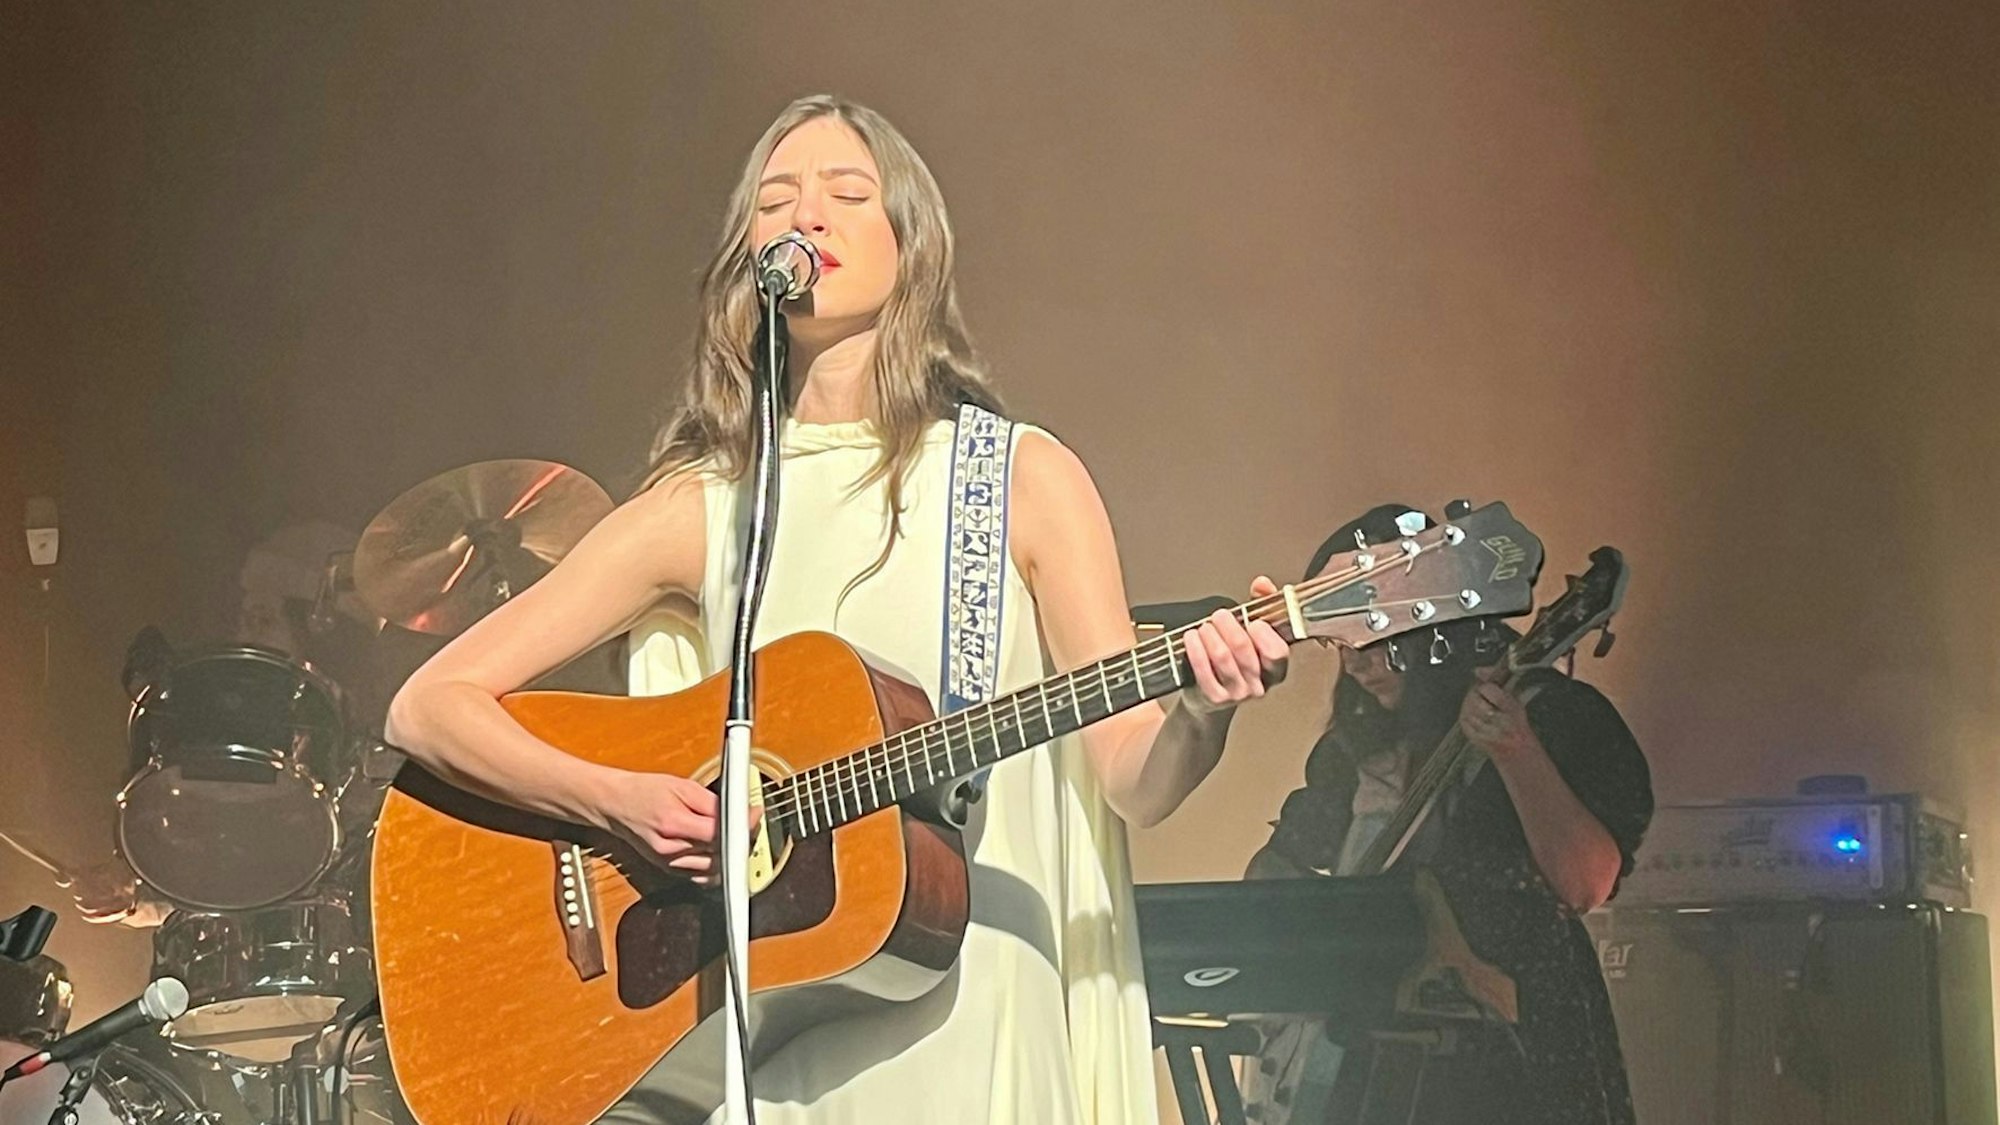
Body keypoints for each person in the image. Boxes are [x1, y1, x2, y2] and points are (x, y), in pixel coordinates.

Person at [384, 94, 1289, 1125]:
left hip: (975, 1002)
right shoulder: (704, 502)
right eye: (773, 201)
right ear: (747, 261)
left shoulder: (1018, 478)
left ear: (911, 248)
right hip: (773, 1023)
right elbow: (427, 707)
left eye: (845, 193)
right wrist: (614, 801)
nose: (803, 216)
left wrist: (1203, 709)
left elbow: (1133, 781)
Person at [1246, 505, 1653, 1125]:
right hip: (1371, 1060)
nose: (1355, 663)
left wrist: (1517, 753)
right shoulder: (1355, 749)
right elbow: (1282, 869)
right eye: (1343, 645)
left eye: (1374, 636)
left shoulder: (1557, 715)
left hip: (1517, 1052)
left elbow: (1586, 881)